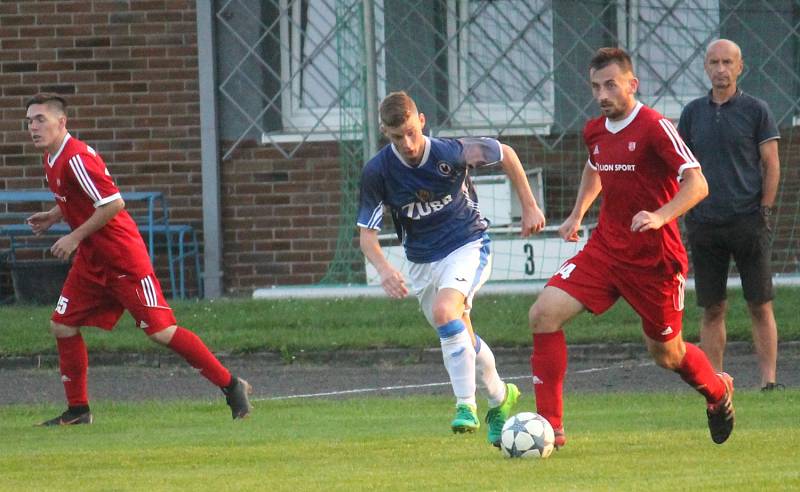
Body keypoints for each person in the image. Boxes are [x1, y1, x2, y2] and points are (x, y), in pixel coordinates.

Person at [528, 48, 735, 448]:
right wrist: (576, 215)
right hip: (606, 250)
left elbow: (698, 184)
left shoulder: (656, 127)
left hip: (654, 261)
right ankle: (548, 427)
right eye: (595, 87)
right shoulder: (596, 130)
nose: (602, 94)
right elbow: (595, 167)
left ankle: (717, 391)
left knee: (667, 355)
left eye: (610, 85)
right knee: (543, 315)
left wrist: (661, 215)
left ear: (631, 84)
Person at [24, 93, 253, 425]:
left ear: (62, 122)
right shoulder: (52, 159)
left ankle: (232, 385)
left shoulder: (76, 158)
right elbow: (81, 198)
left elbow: (114, 204)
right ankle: (78, 410)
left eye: (40, 119)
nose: (33, 127)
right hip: (92, 262)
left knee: (162, 332)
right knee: (62, 325)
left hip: (122, 260)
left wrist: (74, 236)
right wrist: (53, 215)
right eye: (29, 121)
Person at [357, 91, 546, 447]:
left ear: (422, 120)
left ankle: (465, 406)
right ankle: (500, 398)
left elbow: (506, 154)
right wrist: (384, 269)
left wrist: (530, 206)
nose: (409, 143)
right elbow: (367, 236)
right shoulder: (378, 172)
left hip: (467, 243)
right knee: (461, 334)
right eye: (398, 137)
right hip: (421, 262)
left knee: (446, 313)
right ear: (385, 132)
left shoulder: (451, 152)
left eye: (412, 132)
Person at [677, 39, 782, 391]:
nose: (720, 69)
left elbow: (771, 164)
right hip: (704, 223)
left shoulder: (757, 110)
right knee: (712, 307)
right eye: (714, 62)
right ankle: (714, 382)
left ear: (740, 67)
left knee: (760, 304)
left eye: (727, 62)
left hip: (748, 220)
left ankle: (768, 381)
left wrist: (764, 209)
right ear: (705, 67)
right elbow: (680, 165)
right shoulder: (692, 114)